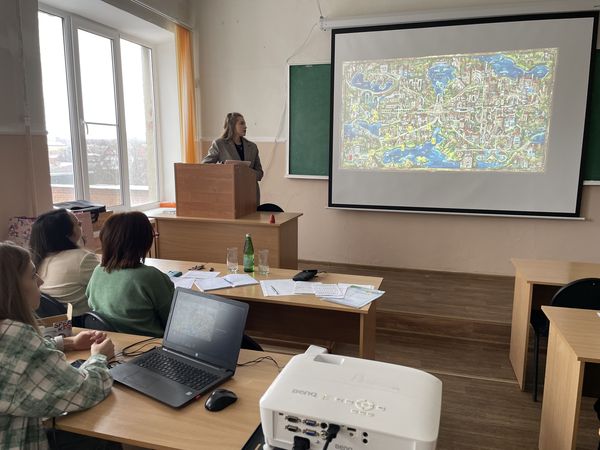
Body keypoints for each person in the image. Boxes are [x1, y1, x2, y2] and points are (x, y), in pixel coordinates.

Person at [0, 241, 119, 450]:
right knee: (104, 434)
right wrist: (99, 357)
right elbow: (87, 391)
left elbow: (15, 359)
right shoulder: (17, 338)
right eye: (32, 275)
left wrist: (67, 342)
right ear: (12, 288)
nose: (41, 281)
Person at [86, 212, 174, 337]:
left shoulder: (98, 271)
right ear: (143, 241)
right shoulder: (150, 277)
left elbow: (91, 304)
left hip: (114, 341)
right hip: (150, 342)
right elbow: (172, 319)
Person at [29, 208, 99, 324]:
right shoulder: (82, 259)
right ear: (67, 233)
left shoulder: (37, 260)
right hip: (82, 321)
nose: (81, 225)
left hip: (55, 323)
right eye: (78, 224)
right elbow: (105, 288)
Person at [202, 112, 264, 203]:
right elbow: (205, 166)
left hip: (250, 194)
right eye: (242, 123)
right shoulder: (219, 144)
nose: (245, 126)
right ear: (232, 126)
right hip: (228, 193)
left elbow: (260, 173)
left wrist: (247, 172)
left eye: (245, 124)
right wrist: (224, 168)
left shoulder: (252, 147)